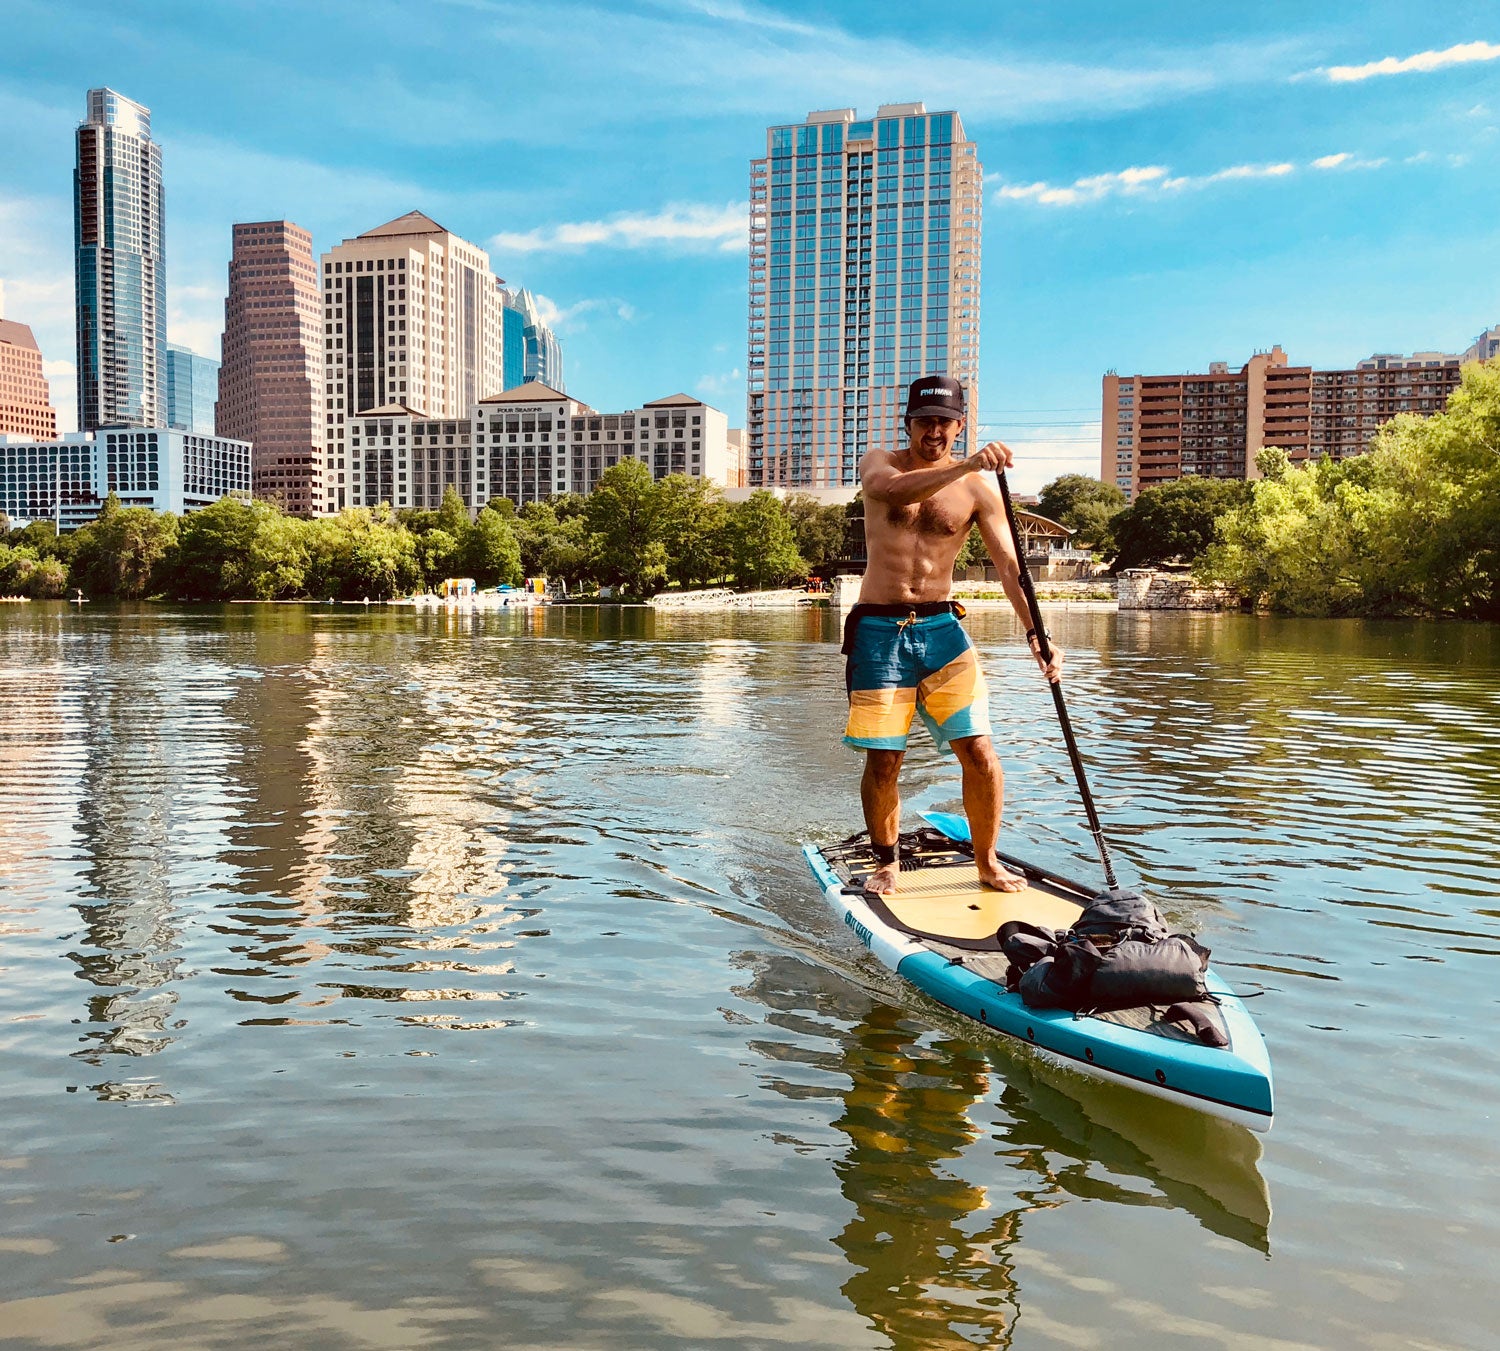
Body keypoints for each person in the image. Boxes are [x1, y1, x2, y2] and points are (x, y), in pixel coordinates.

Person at [843, 374, 1063, 896]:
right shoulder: (881, 462)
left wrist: (1038, 633)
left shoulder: (979, 489)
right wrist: (965, 465)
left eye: (944, 422)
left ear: (959, 425)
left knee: (981, 752)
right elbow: (886, 491)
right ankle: (886, 863)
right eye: (924, 422)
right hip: (879, 629)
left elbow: (1011, 567)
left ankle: (987, 863)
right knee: (885, 758)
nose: (934, 432)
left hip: (942, 629)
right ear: (909, 425)